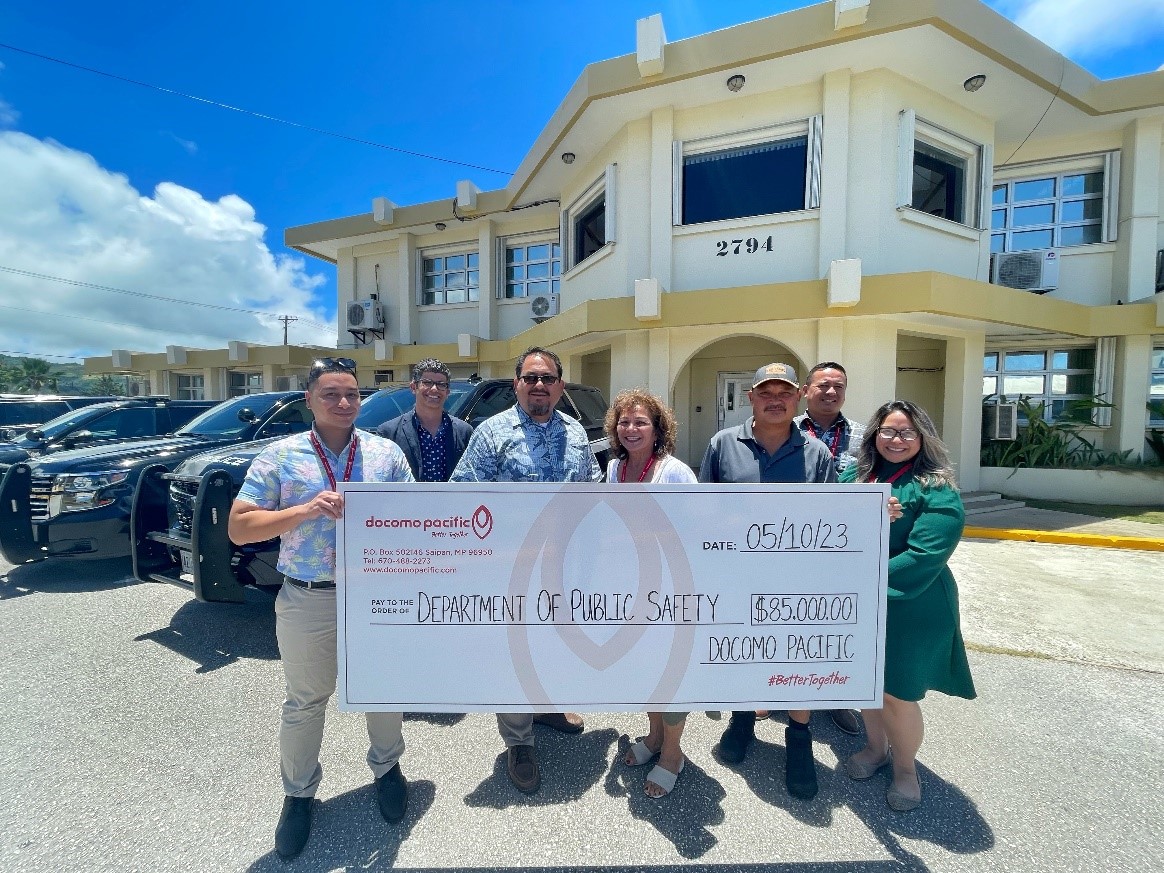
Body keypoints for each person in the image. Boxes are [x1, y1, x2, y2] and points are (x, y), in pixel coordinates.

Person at [227, 358, 415, 860]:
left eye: (352, 393)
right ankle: (298, 794)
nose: (343, 402)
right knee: (306, 701)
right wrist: (305, 509)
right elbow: (239, 528)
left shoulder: (385, 455)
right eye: (331, 394)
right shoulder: (281, 456)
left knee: (382, 690)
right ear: (309, 399)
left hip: (375, 594)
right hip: (309, 595)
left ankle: (387, 768)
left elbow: (415, 516)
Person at [449, 346, 601, 794]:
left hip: (565, 567)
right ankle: (518, 741)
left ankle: (546, 707)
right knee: (515, 653)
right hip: (510, 570)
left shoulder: (575, 432)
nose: (539, 385)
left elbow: (592, 489)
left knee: (553, 645)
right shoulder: (492, 433)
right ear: (516, 384)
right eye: (530, 378)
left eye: (547, 378)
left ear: (560, 385)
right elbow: (463, 495)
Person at [698, 362, 836, 800]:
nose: (775, 400)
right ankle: (742, 721)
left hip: (796, 580)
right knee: (743, 652)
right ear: (751, 398)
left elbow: (834, 518)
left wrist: (875, 512)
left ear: (798, 398)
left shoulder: (817, 453)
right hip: (736, 575)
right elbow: (703, 510)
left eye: (784, 392)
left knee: (796, 658)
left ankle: (799, 739)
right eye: (765, 392)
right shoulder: (723, 444)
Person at [839, 400, 976, 812]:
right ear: (874, 435)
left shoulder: (937, 489)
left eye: (907, 432)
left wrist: (860, 582)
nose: (896, 440)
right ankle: (875, 748)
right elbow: (828, 528)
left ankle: (905, 769)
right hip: (858, 601)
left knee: (896, 692)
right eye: (888, 431)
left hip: (911, 601)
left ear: (922, 438)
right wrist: (863, 515)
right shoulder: (853, 477)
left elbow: (924, 555)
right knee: (866, 682)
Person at [604, 389, 699, 798]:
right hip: (629, 585)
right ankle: (655, 735)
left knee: (671, 673)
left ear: (658, 429)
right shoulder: (614, 469)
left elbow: (694, 532)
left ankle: (673, 753)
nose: (631, 428)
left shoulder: (675, 473)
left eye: (641, 422)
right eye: (624, 422)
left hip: (670, 589)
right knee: (645, 670)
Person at [778, 361, 867, 736]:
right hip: (787, 543)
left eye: (838, 386)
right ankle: (776, 689)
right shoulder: (784, 430)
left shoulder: (864, 436)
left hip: (840, 547)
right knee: (785, 619)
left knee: (832, 624)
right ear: (805, 391)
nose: (831, 392)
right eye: (823, 385)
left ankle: (836, 695)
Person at [377, 358, 473, 482]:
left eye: (441, 384)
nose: (434, 389)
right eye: (427, 382)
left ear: (447, 392)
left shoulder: (464, 432)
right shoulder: (389, 433)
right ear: (413, 387)